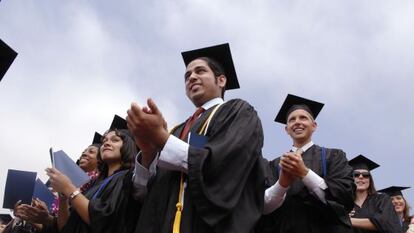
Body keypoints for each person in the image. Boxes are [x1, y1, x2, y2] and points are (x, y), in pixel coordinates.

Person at [127, 43, 265, 233]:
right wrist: (148, 151)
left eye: (200, 71)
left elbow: (223, 167)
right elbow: (143, 193)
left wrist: (161, 138)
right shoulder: (177, 130)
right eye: (187, 76)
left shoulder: (239, 112)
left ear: (222, 80)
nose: (192, 77)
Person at [256, 94, 355, 233]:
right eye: (292, 120)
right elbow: (263, 206)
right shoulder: (274, 165)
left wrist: (305, 173)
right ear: (287, 129)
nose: (297, 122)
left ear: (314, 126)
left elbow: (344, 199)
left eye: (303, 118)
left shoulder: (334, 156)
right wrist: (282, 184)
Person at [45, 128, 140, 233]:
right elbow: (65, 227)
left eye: (115, 140)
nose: (107, 143)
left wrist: (68, 188)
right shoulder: (94, 184)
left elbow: (103, 221)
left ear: (128, 146)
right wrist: (63, 197)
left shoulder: (129, 178)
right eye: (104, 141)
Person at [348, 155, 402, 233]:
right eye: (356, 174)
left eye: (365, 175)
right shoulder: (344, 204)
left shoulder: (382, 199)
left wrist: (347, 220)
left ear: (370, 180)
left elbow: (384, 222)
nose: (361, 177)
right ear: (350, 179)